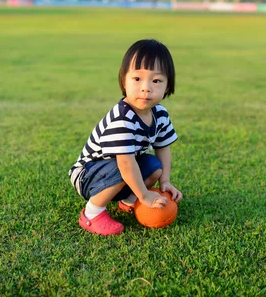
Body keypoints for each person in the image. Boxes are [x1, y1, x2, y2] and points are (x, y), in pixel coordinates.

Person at [69, 39, 183, 235]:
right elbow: (125, 164)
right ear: (124, 80)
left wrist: (164, 181)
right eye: (137, 79)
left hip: (117, 169)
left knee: (154, 167)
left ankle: (128, 200)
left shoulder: (160, 114)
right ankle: (92, 213)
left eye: (156, 81)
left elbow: (163, 147)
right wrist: (145, 195)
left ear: (167, 86)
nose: (146, 87)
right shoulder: (122, 118)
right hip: (88, 174)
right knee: (126, 166)